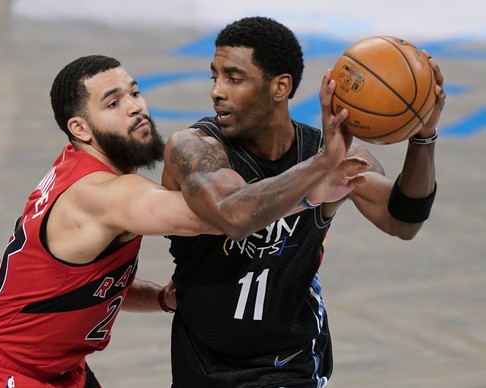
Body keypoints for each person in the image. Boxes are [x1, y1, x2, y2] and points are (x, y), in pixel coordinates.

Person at [162, 16, 445, 387]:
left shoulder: (327, 153)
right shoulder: (193, 148)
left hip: (289, 364)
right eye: (214, 76)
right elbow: (234, 213)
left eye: (233, 78)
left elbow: (403, 220)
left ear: (280, 87)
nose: (217, 90)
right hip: (200, 362)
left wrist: (423, 137)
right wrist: (321, 167)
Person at [0, 54, 221, 388]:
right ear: (79, 128)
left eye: (135, 93)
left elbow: (79, 288)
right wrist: (295, 179)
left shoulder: (75, 166)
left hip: (55, 370)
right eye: (113, 103)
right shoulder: (102, 195)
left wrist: (161, 299)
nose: (135, 108)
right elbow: (223, 216)